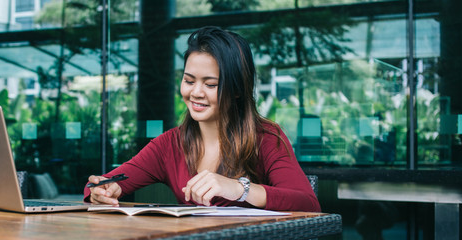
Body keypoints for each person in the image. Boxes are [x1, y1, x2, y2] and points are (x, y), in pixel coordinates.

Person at [84, 26, 320, 212]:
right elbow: (101, 183)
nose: (196, 92)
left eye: (211, 84)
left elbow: (308, 203)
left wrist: (239, 189)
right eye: (188, 81)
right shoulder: (169, 145)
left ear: (237, 89)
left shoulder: (266, 137)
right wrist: (102, 190)